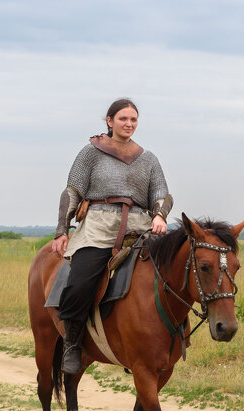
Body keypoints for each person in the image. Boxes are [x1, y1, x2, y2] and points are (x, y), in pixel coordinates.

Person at [51, 98, 172, 374]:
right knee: (80, 282)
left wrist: (159, 215)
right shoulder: (91, 153)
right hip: (99, 226)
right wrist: (62, 230)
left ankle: (151, 341)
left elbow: (162, 195)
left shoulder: (148, 158)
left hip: (139, 226)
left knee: (166, 274)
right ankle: (72, 344)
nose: (129, 124)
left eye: (133, 119)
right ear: (109, 121)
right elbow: (72, 193)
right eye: (123, 119)